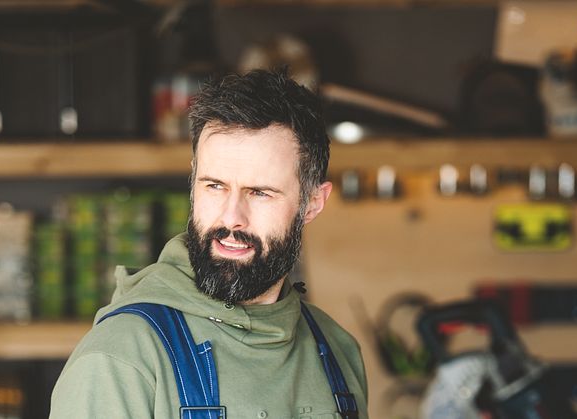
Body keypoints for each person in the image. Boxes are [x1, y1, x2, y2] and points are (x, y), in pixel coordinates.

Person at [50, 69, 369, 418]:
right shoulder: (121, 360)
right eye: (214, 186)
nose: (231, 217)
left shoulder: (338, 352)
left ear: (312, 203)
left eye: (259, 192)